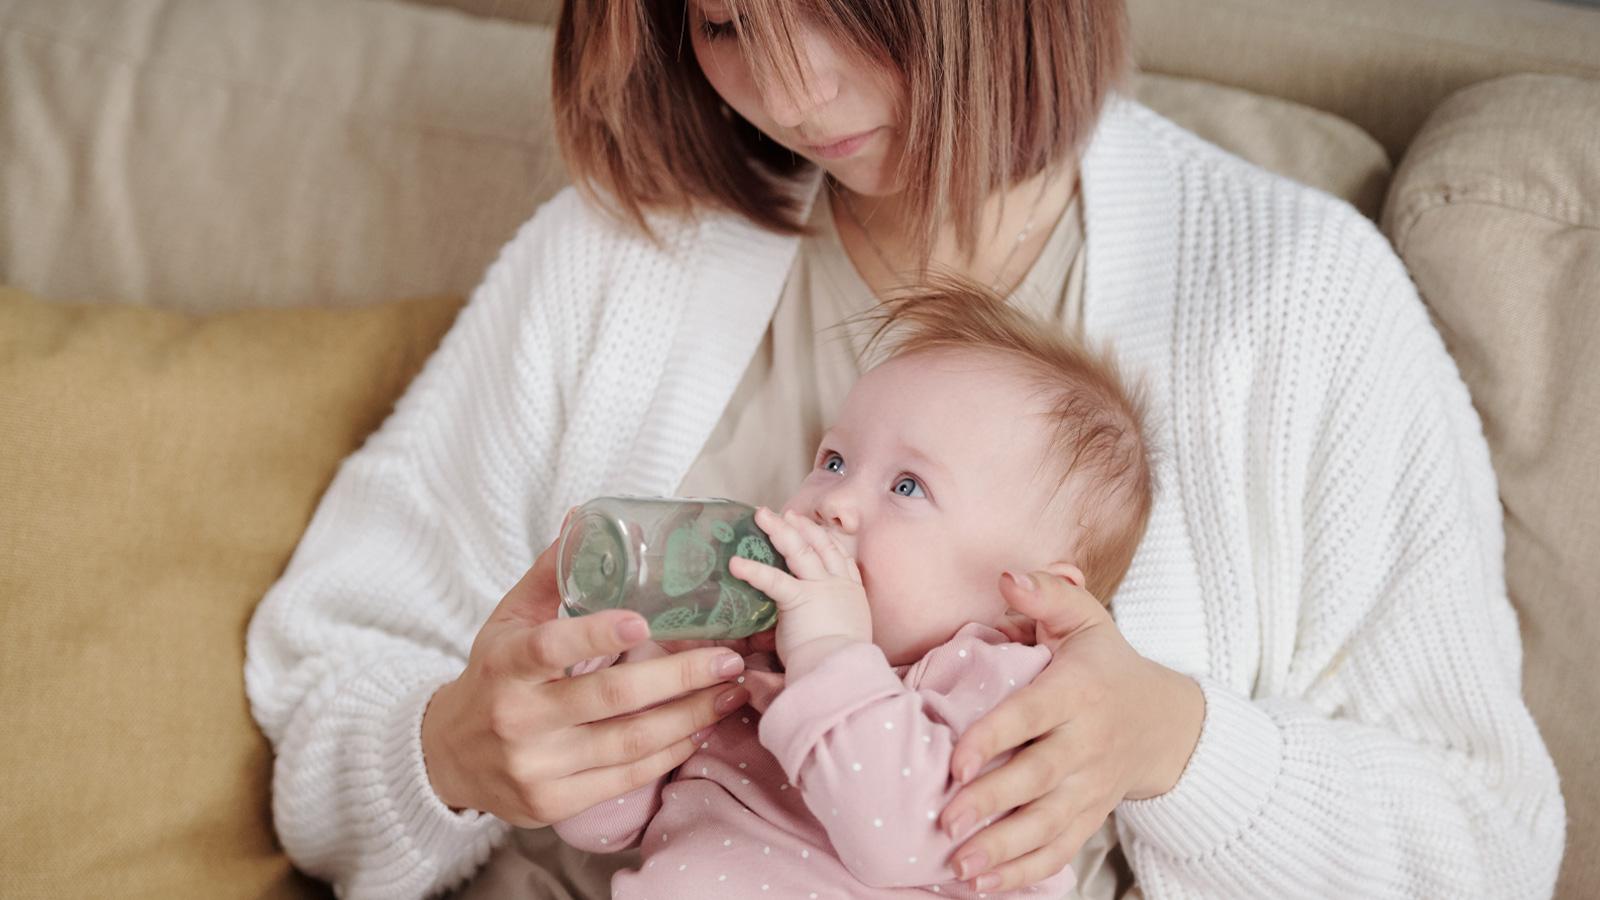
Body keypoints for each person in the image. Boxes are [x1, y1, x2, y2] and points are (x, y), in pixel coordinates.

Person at [243, 0, 1566, 897]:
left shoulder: (1294, 298)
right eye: (723, 19)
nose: (791, 89)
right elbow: (325, 686)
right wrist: (449, 756)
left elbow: (1491, 847)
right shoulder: (627, 256)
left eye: (844, 5)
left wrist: (1178, 748)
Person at [549, 287, 1160, 898]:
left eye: (908, 487)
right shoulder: (750, 656)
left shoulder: (1009, 692)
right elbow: (598, 824)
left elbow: (898, 841)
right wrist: (654, 654)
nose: (833, 503)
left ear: (1028, 597)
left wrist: (830, 652)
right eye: (835, 460)